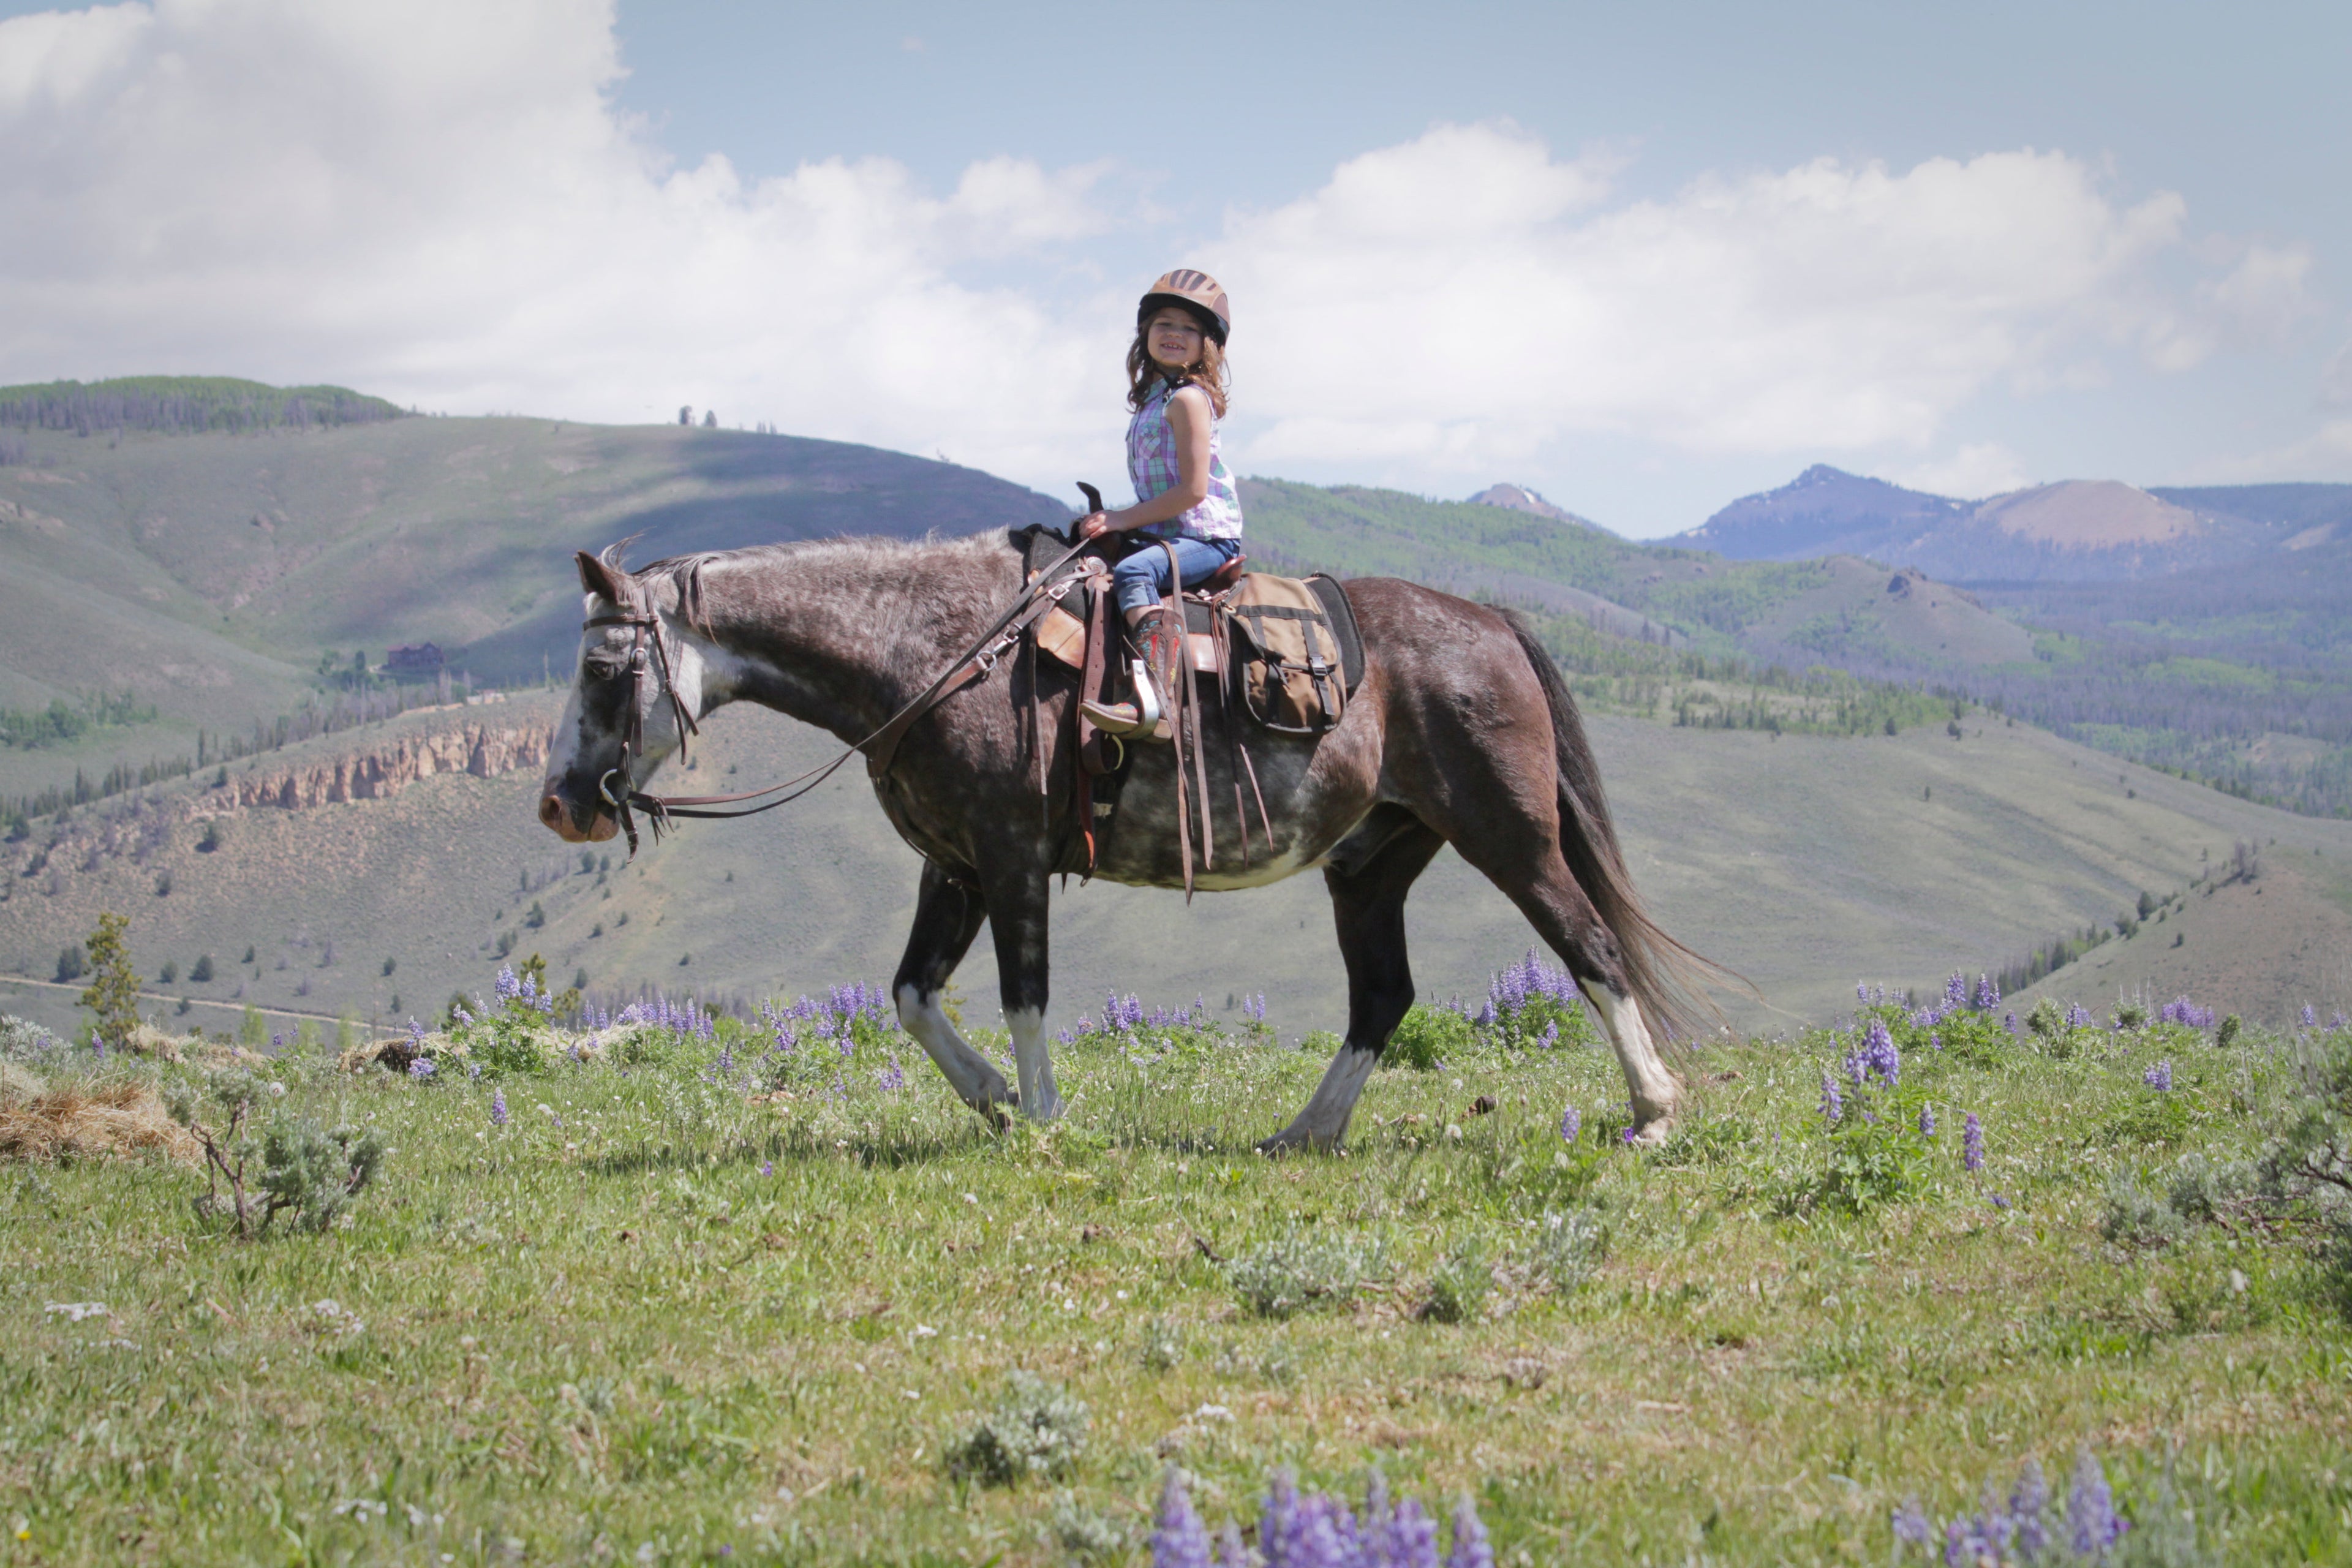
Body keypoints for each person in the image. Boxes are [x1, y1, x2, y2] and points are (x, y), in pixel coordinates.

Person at [1077, 270, 1245, 740]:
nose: (1174, 334)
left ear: (1208, 344)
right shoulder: (1154, 399)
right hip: (1167, 531)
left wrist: (1121, 517)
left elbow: (1192, 491)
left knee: (1134, 573)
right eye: (1163, 323)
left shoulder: (1189, 400)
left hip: (1204, 536)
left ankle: (1156, 698)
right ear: (1146, 334)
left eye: (1189, 328)